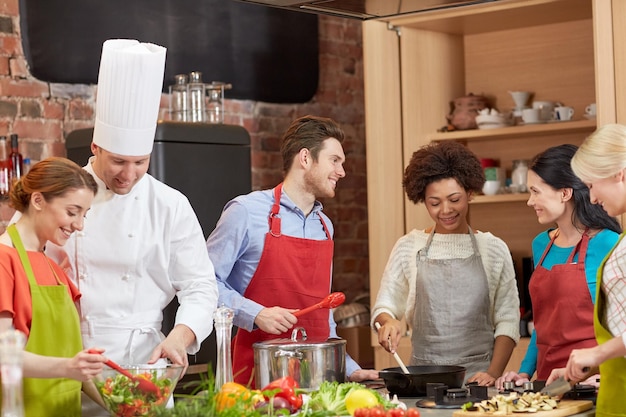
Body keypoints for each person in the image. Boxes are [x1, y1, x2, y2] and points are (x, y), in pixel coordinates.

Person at [43, 40, 219, 415]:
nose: (129, 175)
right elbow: (22, 264)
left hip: (146, 366)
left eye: (140, 162)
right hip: (71, 362)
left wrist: (179, 337)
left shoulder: (169, 204)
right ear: (95, 147)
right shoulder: (59, 196)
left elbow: (201, 287)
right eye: (118, 161)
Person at [206, 115, 378, 387]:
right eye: (335, 161)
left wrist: (348, 368)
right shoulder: (246, 212)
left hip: (318, 380)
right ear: (306, 158)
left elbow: (324, 313)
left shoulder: (325, 227)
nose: (342, 172)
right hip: (257, 380)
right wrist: (255, 314)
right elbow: (203, 284)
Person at [371, 140, 520, 387]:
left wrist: (493, 373)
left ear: (470, 193)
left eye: (454, 199)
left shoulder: (493, 249)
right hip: (422, 379)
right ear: (423, 199)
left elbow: (508, 320)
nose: (446, 210)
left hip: (478, 381)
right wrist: (388, 323)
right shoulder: (409, 246)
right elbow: (385, 305)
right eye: (435, 202)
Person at [495, 144, 620, 390]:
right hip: (548, 383)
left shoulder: (609, 242)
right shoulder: (541, 244)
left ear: (564, 193)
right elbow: (543, 326)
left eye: (536, 192)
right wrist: (523, 373)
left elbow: (620, 326)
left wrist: (604, 370)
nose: (530, 201)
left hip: (594, 382)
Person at [0, 157, 106, 417]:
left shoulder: (53, 268)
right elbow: (3, 356)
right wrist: (68, 367)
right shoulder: (4, 260)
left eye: (84, 214)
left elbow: (75, 362)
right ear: (38, 201)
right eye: (72, 212)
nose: (79, 225)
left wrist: (122, 406)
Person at [546, 123, 626, 416]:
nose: (591, 198)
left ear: (619, 174)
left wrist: (598, 352)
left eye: (592, 184)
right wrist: (591, 363)